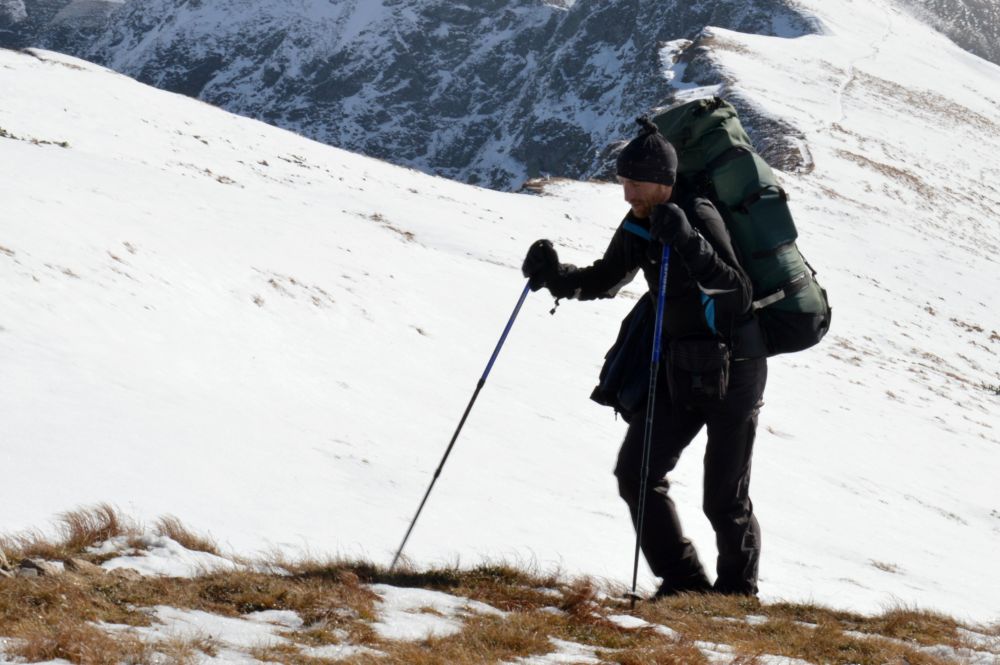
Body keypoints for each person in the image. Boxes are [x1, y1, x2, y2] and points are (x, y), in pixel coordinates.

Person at [521, 117, 768, 597]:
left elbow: (736, 294)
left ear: (663, 181)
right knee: (636, 473)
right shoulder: (639, 222)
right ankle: (685, 585)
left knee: (724, 498)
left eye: (636, 183)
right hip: (679, 367)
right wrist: (554, 276)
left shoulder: (698, 213)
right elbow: (606, 278)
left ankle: (738, 597)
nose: (628, 194)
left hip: (736, 370)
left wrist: (688, 241)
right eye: (624, 183)